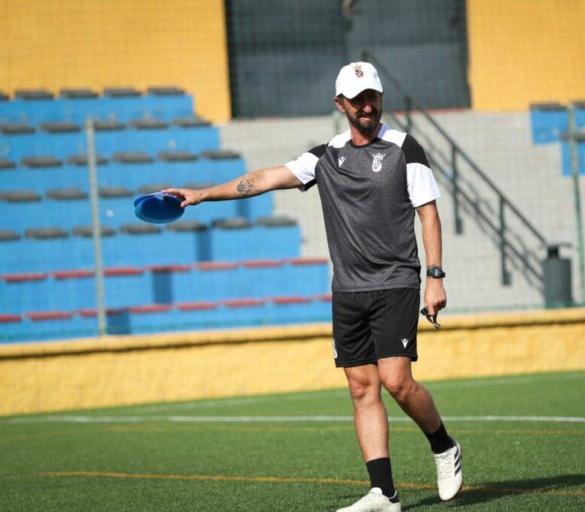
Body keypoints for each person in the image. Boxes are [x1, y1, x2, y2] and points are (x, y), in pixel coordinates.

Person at [164, 62, 462, 512]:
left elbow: (429, 214)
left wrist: (435, 278)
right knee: (362, 389)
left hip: (396, 281)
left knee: (396, 381)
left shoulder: (405, 148)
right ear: (340, 104)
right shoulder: (325, 156)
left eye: (373, 97)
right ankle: (384, 493)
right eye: (357, 99)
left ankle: (443, 445)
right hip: (348, 290)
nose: (367, 106)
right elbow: (262, 179)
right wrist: (202, 195)